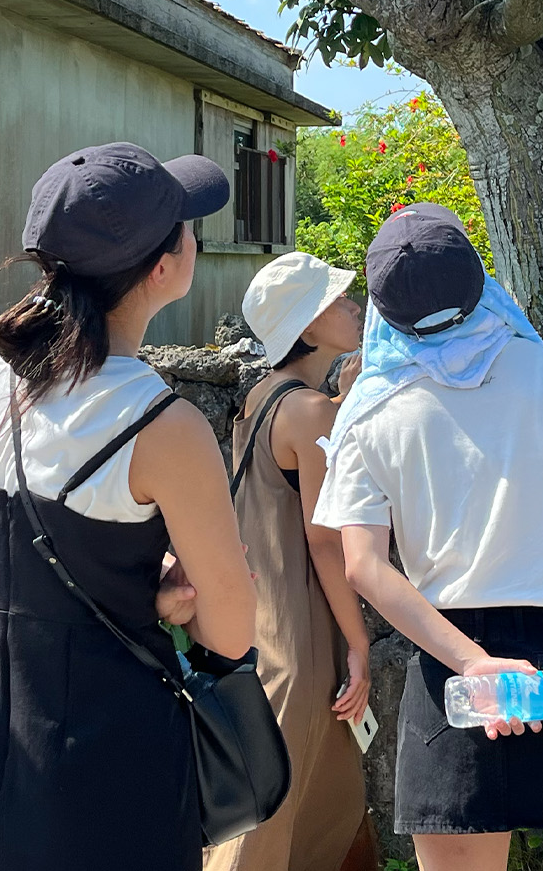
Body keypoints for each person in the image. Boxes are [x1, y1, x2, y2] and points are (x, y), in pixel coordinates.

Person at [314, 204, 543, 871]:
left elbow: (363, 565)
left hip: (453, 664)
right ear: (478, 281)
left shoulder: (371, 409)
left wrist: (473, 663)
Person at [0, 143, 257, 871]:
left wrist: (134, 585)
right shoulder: (159, 421)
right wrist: (174, 602)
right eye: (187, 226)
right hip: (111, 735)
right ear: (161, 268)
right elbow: (234, 628)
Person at [205, 251, 376, 871]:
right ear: (306, 328)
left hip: (264, 626)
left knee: (300, 792)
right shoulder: (310, 411)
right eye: (336, 300)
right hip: (304, 636)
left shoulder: (263, 399)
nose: (354, 305)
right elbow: (326, 542)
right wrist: (359, 645)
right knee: (281, 811)